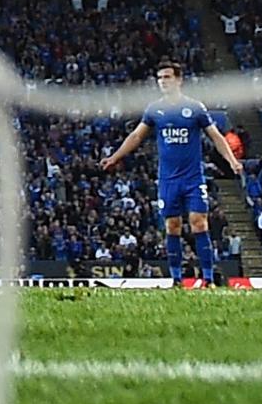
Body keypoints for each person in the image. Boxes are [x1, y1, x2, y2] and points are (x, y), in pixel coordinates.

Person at [97, 60, 239, 287]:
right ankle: (176, 279)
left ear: (179, 80)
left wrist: (231, 160)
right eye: (160, 78)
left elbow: (215, 136)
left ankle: (209, 279)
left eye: (167, 77)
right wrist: (115, 156)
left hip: (192, 177)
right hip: (167, 179)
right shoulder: (155, 110)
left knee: (198, 222)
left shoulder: (194, 108)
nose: (162, 82)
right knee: (172, 225)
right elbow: (136, 136)